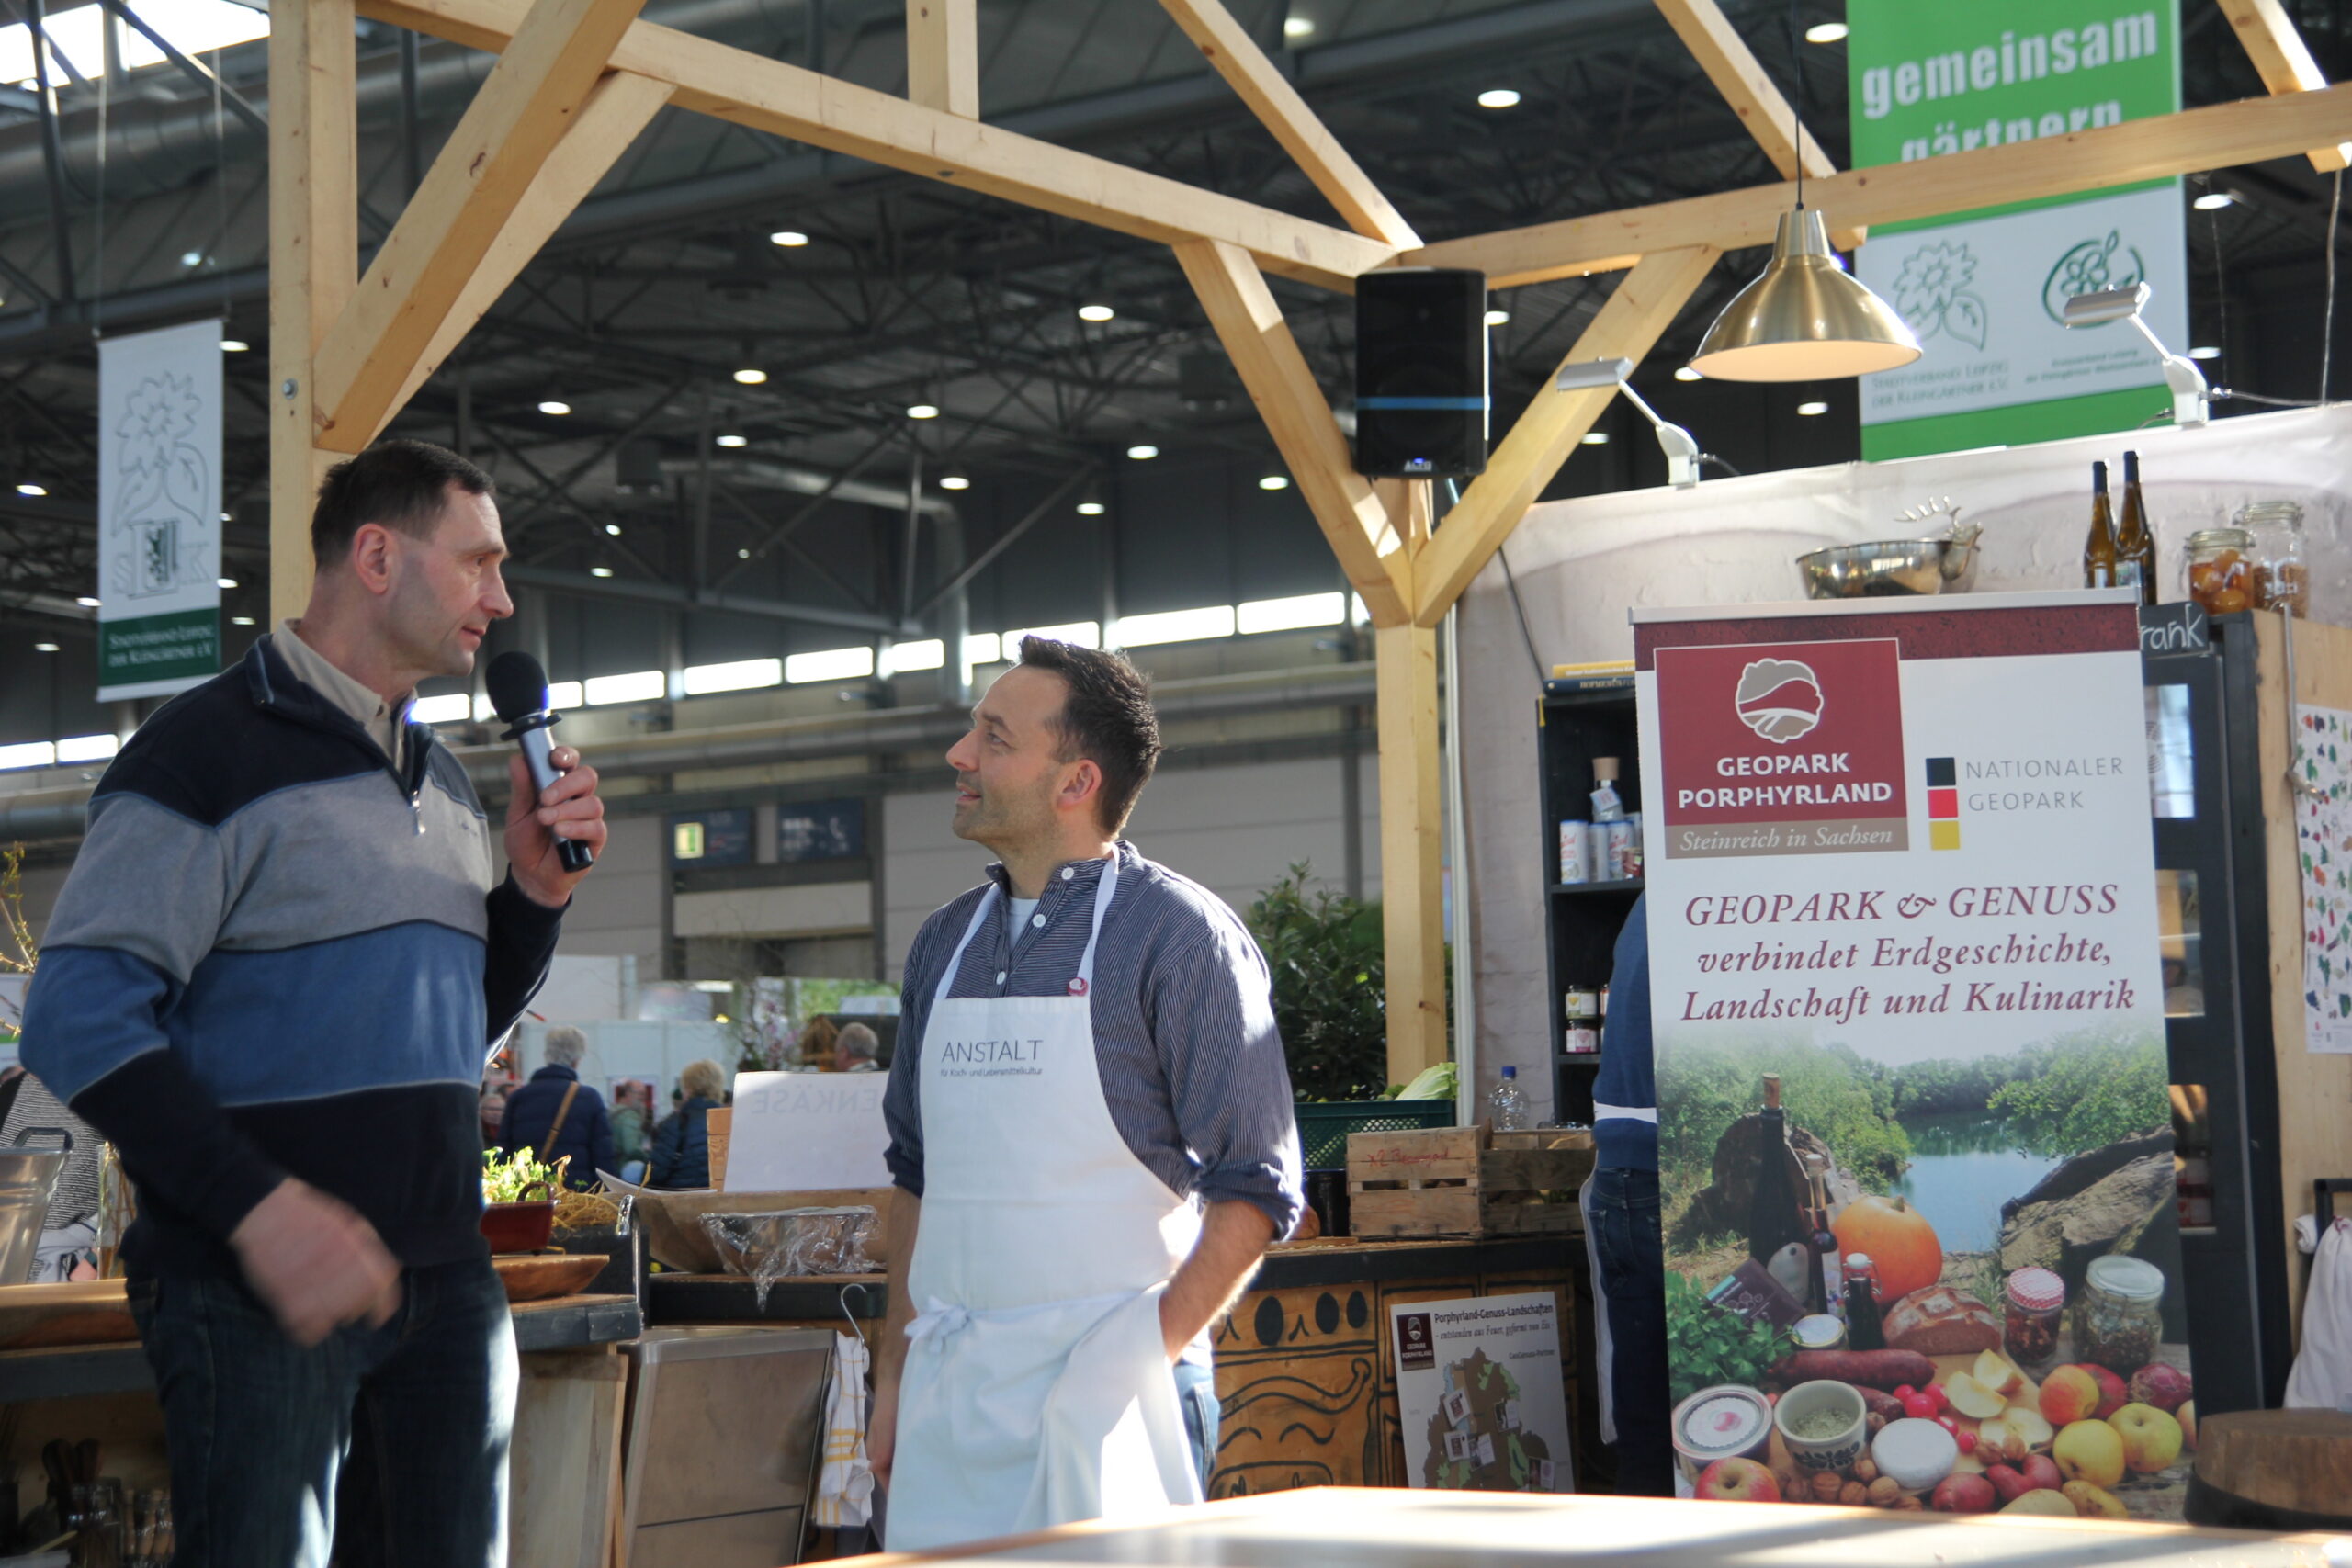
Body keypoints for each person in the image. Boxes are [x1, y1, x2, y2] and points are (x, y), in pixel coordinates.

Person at [20, 438, 607, 1568]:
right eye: (478, 563)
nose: (503, 597)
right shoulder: (198, 756)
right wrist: (262, 1208)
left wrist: (532, 897)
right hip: (253, 1289)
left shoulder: (438, 779)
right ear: (378, 557)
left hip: (444, 1278)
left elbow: (447, 1033)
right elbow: (77, 1014)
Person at [870, 637, 1303, 1551]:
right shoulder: (942, 944)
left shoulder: (1178, 939)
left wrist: (1135, 1362)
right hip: (949, 1401)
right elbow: (914, 1179)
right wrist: (892, 1378)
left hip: (1114, 1395)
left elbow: (1256, 1190)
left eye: (993, 737)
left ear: (1075, 783)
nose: (959, 755)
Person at [1580, 894, 1671, 1495]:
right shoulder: (1731, 892)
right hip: (1658, 1171)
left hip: (1622, 1172)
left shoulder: (1651, 900)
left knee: (1647, 1426)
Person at [501, 1026, 615, 1190]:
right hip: (576, 1190)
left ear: (547, 1054)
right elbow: (602, 1156)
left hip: (529, 1190)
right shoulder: (589, 1098)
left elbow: (505, 1150)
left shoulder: (519, 1097)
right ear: (577, 1059)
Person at [648, 1059, 727, 1189]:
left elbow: (654, 1174)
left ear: (688, 1089)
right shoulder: (732, 1121)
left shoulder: (676, 1123)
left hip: (681, 1197)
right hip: (722, 1199)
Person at [610, 1080, 651, 1185]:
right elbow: (632, 1149)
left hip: (609, 1170)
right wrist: (651, 1159)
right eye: (640, 1094)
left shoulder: (611, 1111)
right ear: (627, 1094)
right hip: (624, 1172)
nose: (643, 1098)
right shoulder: (630, 1116)